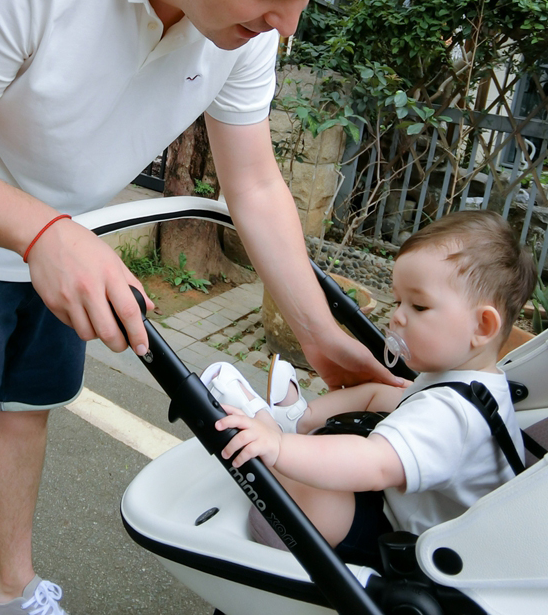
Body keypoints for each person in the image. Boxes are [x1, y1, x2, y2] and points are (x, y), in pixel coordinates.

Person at [0, 0, 409, 612]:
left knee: (27, 412)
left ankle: (9, 591)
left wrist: (314, 327)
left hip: (68, 241)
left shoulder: (251, 28)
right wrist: (39, 231)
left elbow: (254, 180)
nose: (289, 24)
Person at [206, 210, 537, 571]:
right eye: (397, 302)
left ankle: (277, 437)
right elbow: (386, 398)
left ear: (482, 325)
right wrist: (311, 424)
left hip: (420, 551)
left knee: (313, 494)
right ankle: (297, 418)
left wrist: (281, 450)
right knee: (381, 392)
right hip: (406, 505)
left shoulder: (452, 416)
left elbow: (374, 464)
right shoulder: (470, 379)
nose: (397, 317)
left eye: (418, 305)